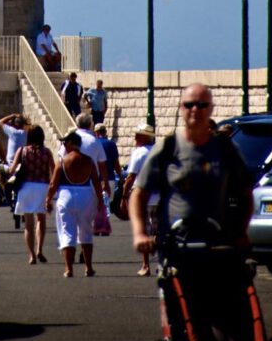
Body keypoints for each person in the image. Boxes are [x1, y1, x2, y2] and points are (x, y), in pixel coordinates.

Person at [130, 83, 253, 261]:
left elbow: (245, 194)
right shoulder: (167, 148)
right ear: (181, 108)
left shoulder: (226, 149)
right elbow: (139, 194)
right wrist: (140, 233)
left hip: (218, 247)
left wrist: (241, 232)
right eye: (189, 105)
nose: (195, 109)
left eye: (202, 105)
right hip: (176, 248)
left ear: (211, 109)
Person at [46, 131, 102, 278]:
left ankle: (68, 269)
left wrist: (48, 200)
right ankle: (88, 267)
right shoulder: (89, 161)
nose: (64, 145)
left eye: (65, 143)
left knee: (67, 232)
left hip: (66, 195)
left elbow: (53, 184)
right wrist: (101, 202)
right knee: (86, 232)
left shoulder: (63, 161)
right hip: (86, 195)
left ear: (71, 144)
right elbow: (96, 183)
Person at [10, 125, 54, 264]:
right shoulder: (46, 152)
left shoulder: (22, 151)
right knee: (41, 220)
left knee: (28, 224)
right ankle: (39, 249)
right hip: (42, 186)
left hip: (26, 187)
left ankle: (31, 255)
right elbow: (53, 170)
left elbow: (11, 170)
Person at [122, 123, 157, 275]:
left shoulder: (139, 153)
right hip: (159, 197)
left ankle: (146, 265)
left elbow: (131, 177)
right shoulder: (158, 151)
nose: (135, 137)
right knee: (158, 231)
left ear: (143, 137)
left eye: (138, 134)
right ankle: (160, 263)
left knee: (145, 232)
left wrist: (124, 195)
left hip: (144, 197)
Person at [59, 113, 109, 194]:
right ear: (90, 124)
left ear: (77, 123)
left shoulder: (70, 139)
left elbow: (61, 159)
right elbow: (102, 165)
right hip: (91, 186)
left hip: (68, 185)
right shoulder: (95, 142)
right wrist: (106, 183)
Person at [94, 123, 122, 193]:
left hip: (95, 180)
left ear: (96, 133)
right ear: (105, 132)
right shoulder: (112, 144)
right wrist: (120, 176)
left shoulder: (94, 144)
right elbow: (116, 163)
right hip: (110, 179)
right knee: (108, 202)